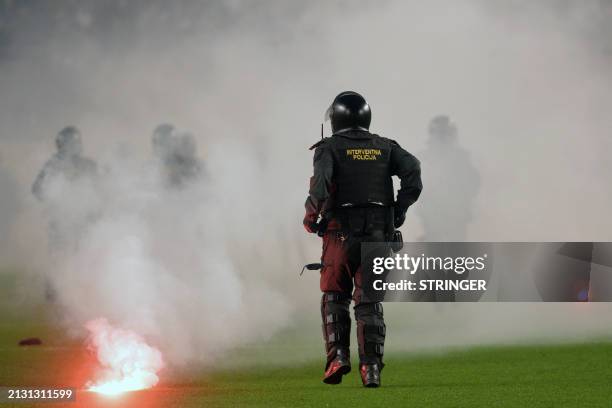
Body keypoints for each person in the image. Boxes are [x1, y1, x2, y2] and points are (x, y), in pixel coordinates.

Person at [303, 91, 422, 387]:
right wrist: (398, 210)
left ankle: (338, 357)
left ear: (336, 119)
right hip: (379, 235)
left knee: (334, 297)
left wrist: (310, 216)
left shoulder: (328, 148)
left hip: (339, 235)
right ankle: (371, 369)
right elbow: (413, 171)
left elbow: (321, 184)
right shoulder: (385, 146)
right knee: (369, 302)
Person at [416, 115, 479, 241]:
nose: (443, 138)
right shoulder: (424, 158)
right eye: (441, 134)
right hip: (433, 217)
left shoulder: (461, 158)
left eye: (445, 134)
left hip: (454, 218)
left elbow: (474, 183)